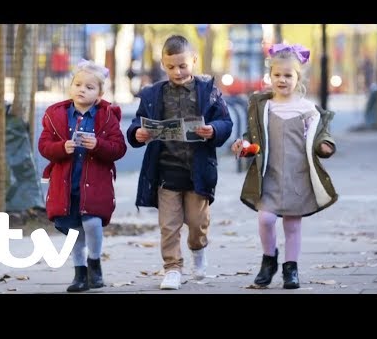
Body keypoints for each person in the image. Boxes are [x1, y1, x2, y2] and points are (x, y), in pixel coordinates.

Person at [127, 35, 233, 290]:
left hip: (197, 171)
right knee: (169, 225)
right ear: (163, 64)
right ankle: (172, 268)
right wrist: (137, 134)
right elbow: (137, 124)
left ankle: (198, 250)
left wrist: (213, 130)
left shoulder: (208, 91)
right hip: (166, 171)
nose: (177, 71)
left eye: (183, 65)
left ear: (194, 61)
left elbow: (226, 122)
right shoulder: (153, 94)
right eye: (171, 66)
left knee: (197, 223)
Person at [231, 43, 338, 289]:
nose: (282, 80)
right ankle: (269, 259)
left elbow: (320, 136)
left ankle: (291, 268)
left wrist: (324, 146)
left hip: (297, 174)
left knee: (292, 223)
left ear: (298, 77)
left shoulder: (308, 109)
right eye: (277, 75)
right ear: (270, 77)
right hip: (269, 174)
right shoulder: (263, 106)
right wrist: (243, 146)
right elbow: (253, 139)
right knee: (266, 219)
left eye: (288, 75)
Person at [38, 59, 127, 292]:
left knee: (93, 222)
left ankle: (94, 263)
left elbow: (119, 148)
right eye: (78, 84)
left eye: (89, 87)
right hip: (67, 185)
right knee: (75, 230)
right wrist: (61, 148)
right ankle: (80, 273)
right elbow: (44, 145)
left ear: (99, 93)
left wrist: (98, 144)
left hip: (95, 184)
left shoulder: (106, 116)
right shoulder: (56, 114)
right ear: (71, 86)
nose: (82, 90)